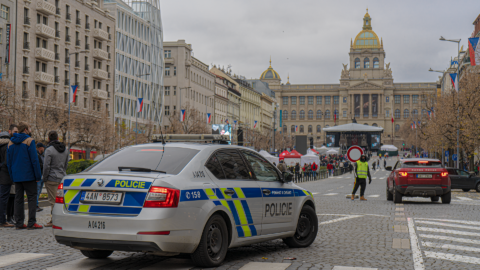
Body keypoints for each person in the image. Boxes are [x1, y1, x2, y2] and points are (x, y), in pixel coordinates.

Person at [7, 122, 43, 230]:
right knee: (32, 198)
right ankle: (31, 222)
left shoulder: (11, 143)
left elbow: (9, 162)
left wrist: (12, 176)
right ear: (26, 130)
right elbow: (34, 160)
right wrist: (38, 176)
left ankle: (19, 223)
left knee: (18, 199)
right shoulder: (29, 141)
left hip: (17, 176)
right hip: (29, 175)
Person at [42, 131, 69, 227]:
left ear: (49, 139)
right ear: (58, 138)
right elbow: (66, 164)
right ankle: (62, 219)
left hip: (51, 178)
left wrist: (44, 178)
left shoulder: (49, 150)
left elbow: (46, 166)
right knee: (62, 200)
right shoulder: (65, 150)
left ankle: (54, 220)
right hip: (62, 177)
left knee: (53, 201)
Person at [0, 124, 17, 227]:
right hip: (6, 176)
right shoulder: (7, 147)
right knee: (4, 198)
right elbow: (7, 163)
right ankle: (3, 220)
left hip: (1, 175)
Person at [36, 142, 45, 212]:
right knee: (37, 191)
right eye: (43, 148)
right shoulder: (37, 155)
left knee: (39, 191)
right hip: (39, 176)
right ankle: (35, 205)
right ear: (40, 148)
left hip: (42, 175)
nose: (44, 149)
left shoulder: (42, 155)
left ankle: (36, 205)